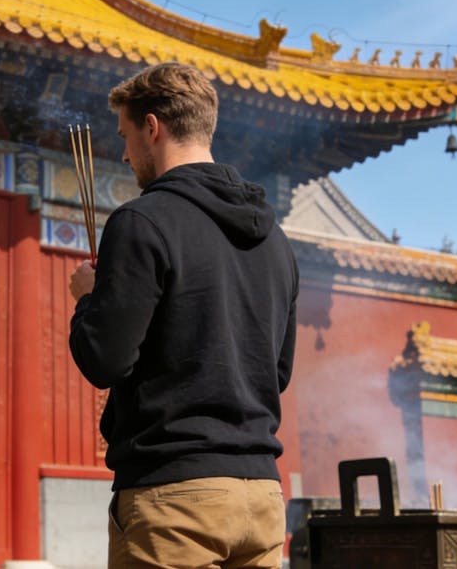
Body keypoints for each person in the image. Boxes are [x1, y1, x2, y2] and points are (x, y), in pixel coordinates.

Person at [67, 62, 298, 568]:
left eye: (126, 135)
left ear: (153, 128)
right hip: (261, 497)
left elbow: (105, 359)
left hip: (174, 496)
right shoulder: (275, 241)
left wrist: (88, 297)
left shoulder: (142, 220)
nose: (125, 154)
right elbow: (276, 372)